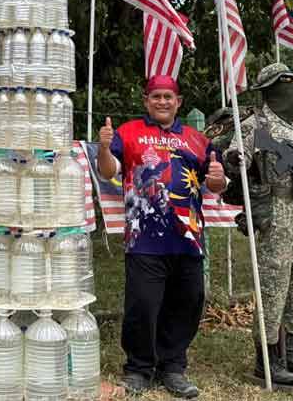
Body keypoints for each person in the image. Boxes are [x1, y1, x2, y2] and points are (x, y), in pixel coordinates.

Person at [97, 74, 227, 399]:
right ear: (146, 100)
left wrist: (219, 178)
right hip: (144, 238)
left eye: (168, 96)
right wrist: (102, 147)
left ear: (178, 102)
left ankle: (173, 367)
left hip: (189, 237)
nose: (162, 102)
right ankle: (139, 369)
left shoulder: (197, 140)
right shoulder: (128, 133)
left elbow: (215, 185)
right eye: (156, 96)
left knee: (188, 302)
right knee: (143, 304)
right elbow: (109, 170)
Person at [225, 63, 293, 386]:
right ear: (271, 89)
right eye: (286, 84)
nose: (292, 91)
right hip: (278, 220)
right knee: (272, 292)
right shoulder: (256, 125)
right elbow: (233, 158)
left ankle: (292, 355)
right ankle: (266, 361)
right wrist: (237, 160)